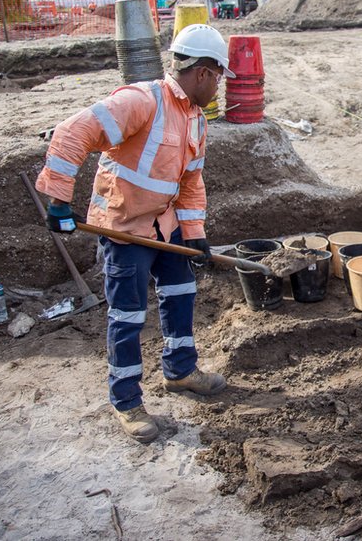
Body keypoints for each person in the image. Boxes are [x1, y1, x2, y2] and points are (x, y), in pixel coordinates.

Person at [35, 24, 237, 443]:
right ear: (203, 72)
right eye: (219, 78)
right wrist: (58, 200)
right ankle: (126, 402)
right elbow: (73, 132)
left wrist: (194, 232)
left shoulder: (197, 121)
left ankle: (180, 371)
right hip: (125, 228)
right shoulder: (141, 101)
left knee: (181, 295)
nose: (219, 88)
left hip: (166, 227)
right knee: (127, 316)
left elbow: (191, 182)